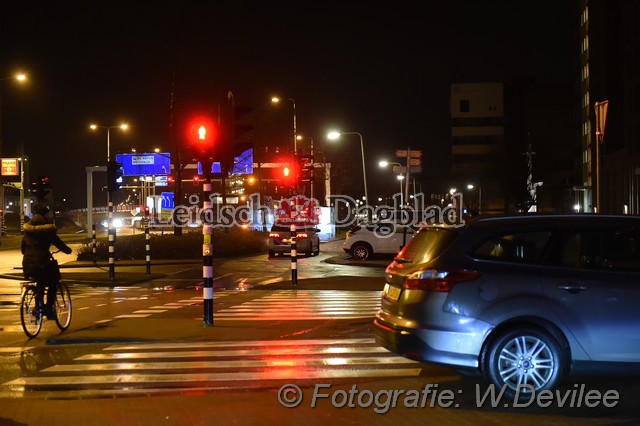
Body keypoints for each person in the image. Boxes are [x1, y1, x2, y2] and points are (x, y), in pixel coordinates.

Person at [21, 204, 72, 320]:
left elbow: (23, 250)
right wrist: (68, 250)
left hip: (28, 264)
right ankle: (48, 309)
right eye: (48, 214)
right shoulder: (47, 230)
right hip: (42, 263)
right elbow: (58, 243)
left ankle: (38, 306)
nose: (50, 216)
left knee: (40, 283)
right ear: (44, 215)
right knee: (53, 282)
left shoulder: (27, 230)